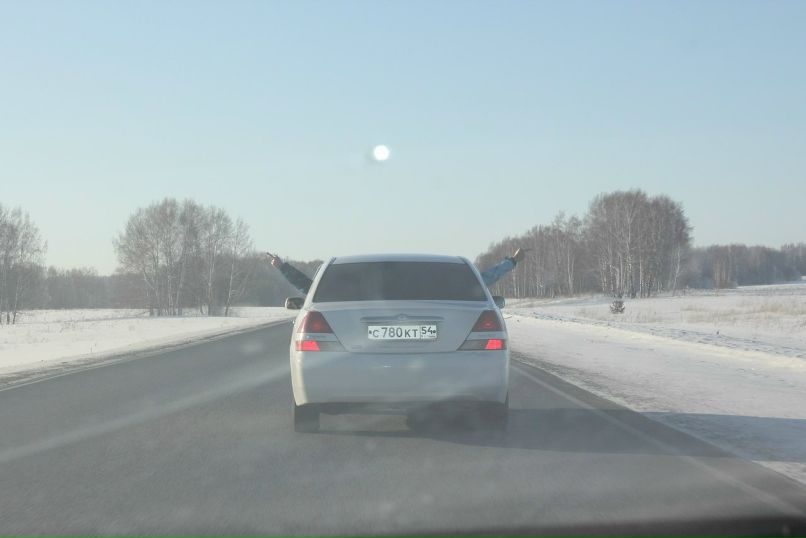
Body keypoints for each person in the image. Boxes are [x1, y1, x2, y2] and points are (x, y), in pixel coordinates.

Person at [267, 249, 527, 296]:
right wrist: (511, 263)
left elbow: (311, 289)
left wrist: (283, 268)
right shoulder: (442, 286)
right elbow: (481, 280)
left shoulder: (358, 293)